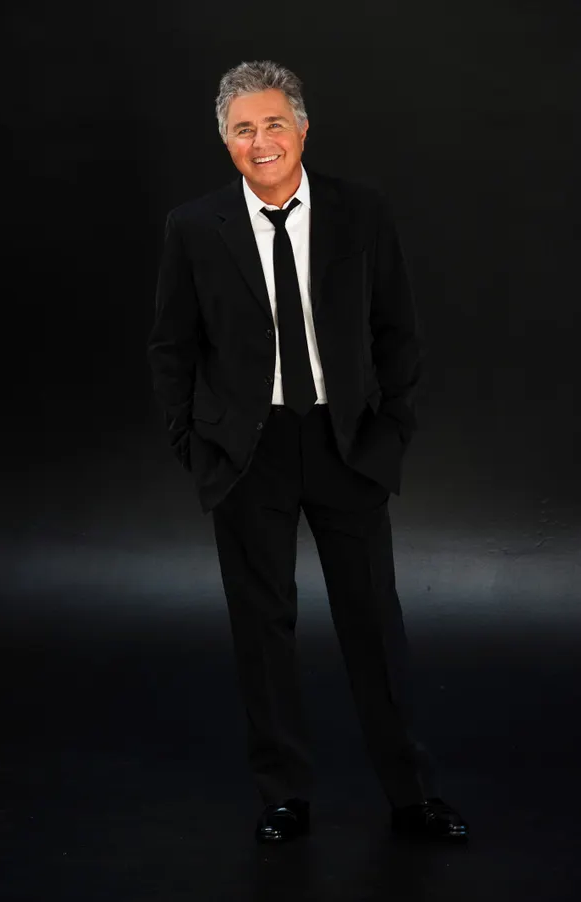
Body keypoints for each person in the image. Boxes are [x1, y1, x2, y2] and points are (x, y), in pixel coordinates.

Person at [147, 59, 469, 843]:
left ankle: (411, 793)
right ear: (225, 141)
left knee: (373, 622)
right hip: (246, 449)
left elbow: (398, 332)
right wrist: (193, 443)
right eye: (243, 129)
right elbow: (172, 346)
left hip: (344, 442)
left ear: (302, 128)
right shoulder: (194, 227)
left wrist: (390, 430)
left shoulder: (361, 214)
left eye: (274, 123)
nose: (261, 141)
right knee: (263, 628)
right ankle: (283, 794)